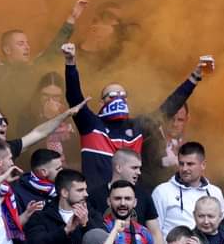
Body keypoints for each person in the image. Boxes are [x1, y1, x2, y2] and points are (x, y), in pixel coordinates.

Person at [61, 42, 206, 209]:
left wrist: (194, 77)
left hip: (129, 205)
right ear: (101, 102)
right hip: (97, 204)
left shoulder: (137, 128)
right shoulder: (91, 125)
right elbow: (74, 97)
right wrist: (70, 62)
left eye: (122, 95)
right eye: (112, 96)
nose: (118, 99)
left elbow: (168, 108)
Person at [24, 169, 97, 244]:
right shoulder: (41, 216)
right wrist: (65, 231)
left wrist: (86, 224)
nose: (86, 194)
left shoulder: (91, 213)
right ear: (64, 193)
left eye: (85, 189)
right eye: (80, 190)